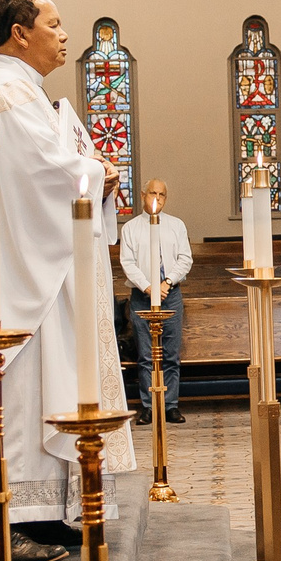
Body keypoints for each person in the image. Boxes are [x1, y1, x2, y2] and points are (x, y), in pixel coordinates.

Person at [0, 0, 130, 561]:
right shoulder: (5, 94)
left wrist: (90, 170)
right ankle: (1, 524)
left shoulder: (18, 92)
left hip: (28, 266)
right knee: (20, 391)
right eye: (54, 23)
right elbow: (45, 172)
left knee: (43, 388)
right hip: (16, 280)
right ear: (20, 32)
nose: (64, 34)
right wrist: (97, 170)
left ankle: (40, 513)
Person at [117, 177, 191, 426]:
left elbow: (185, 259)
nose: (156, 198)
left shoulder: (176, 225)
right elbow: (127, 263)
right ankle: (149, 407)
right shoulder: (130, 228)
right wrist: (148, 287)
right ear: (142, 195)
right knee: (146, 355)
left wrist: (166, 283)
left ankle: (170, 405)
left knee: (170, 354)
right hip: (142, 296)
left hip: (170, 294)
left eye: (161, 194)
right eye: (152, 193)